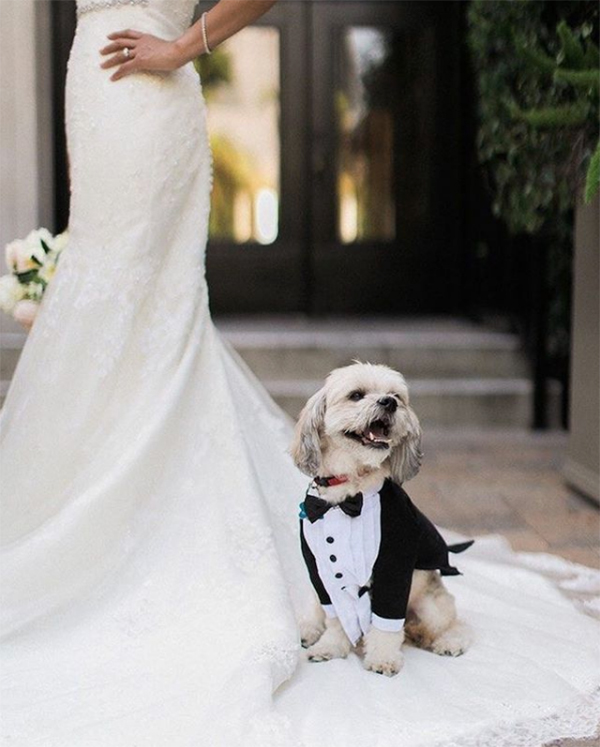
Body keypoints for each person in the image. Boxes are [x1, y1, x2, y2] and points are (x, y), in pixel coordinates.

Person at [0, 2, 598, 745]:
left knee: (144, 303)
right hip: (95, 90)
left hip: (147, 87)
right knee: (106, 295)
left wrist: (184, 45)